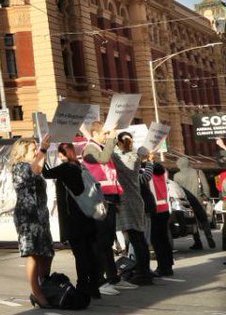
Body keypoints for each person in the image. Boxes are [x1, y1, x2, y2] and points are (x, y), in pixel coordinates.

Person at [44, 142, 104, 298]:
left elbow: (45, 173)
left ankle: (83, 285)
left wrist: (42, 152)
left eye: (59, 154)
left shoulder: (65, 168)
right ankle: (94, 287)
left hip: (74, 220)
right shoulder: (80, 167)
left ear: (62, 154)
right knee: (89, 253)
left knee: (80, 255)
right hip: (88, 216)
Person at [78, 123, 125, 296]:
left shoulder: (100, 146)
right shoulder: (90, 149)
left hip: (109, 199)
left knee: (108, 241)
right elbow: (104, 159)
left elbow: (111, 173)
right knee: (101, 242)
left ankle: (113, 278)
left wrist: (117, 199)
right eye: (104, 133)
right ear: (95, 133)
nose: (107, 136)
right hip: (100, 200)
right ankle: (99, 281)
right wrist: (113, 139)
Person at [10, 136, 55, 306]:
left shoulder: (34, 164)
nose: (36, 151)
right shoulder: (19, 167)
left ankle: (44, 285)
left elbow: (40, 169)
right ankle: (37, 292)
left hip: (40, 215)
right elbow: (34, 170)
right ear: (22, 152)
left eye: (36, 148)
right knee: (34, 254)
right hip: (27, 216)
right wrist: (43, 150)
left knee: (47, 252)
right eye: (32, 149)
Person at [111, 133, 151, 286]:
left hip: (126, 202)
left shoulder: (119, 158)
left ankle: (142, 274)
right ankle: (145, 272)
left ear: (120, 143)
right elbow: (145, 176)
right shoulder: (136, 157)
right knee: (140, 239)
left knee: (135, 239)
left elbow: (107, 154)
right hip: (137, 201)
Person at [142, 150, 175, 277]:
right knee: (164, 239)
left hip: (155, 209)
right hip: (165, 208)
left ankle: (162, 267)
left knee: (156, 241)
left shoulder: (147, 173)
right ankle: (169, 266)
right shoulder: (163, 171)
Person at [173, 156, 216, 250]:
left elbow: (177, 190)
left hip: (187, 201)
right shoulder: (198, 172)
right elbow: (205, 186)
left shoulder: (176, 175)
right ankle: (209, 237)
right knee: (203, 219)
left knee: (192, 221)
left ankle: (198, 242)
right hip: (199, 199)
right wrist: (207, 197)